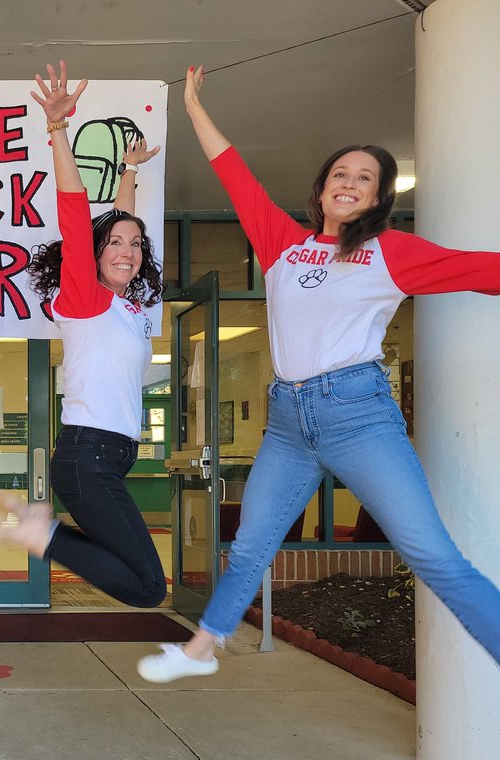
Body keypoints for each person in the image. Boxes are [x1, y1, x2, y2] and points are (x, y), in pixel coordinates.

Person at [138, 65, 500, 682]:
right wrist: (193, 105)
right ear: (323, 187)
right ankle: (204, 647)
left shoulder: (392, 252)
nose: (349, 183)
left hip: (358, 415)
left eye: (365, 178)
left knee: (430, 554)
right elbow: (235, 174)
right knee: (252, 542)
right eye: (341, 173)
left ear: (379, 196)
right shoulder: (283, 243)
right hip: (287, 420)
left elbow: (485, 270)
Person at [0, 61, 167, 610]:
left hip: (104, 458)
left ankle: (42, 530)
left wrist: (129, 174)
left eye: (136, 245)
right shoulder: (86, 299)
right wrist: (59, 130)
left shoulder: (128, 304)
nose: (127, 250)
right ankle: (43, 534)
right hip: (88, 456)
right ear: (93, 255)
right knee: (147, 587)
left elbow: (121, 224)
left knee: (141, 580)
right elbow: (76, 214)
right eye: (114, 243)